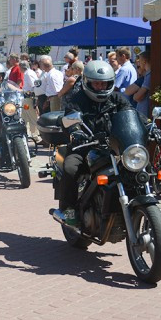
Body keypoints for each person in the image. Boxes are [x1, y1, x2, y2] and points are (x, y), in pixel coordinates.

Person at [55, 61, 132, 225]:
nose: (100, 87)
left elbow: (132, 115)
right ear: (87, 82)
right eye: (96, 83)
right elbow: (70, 117)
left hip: (114, 147)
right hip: (83, 147)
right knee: (70, 169)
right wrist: (75, 131)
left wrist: (148, 126)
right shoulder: (77, 99)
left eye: (103, 83)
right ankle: (68, 211)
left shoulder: (117, 99)